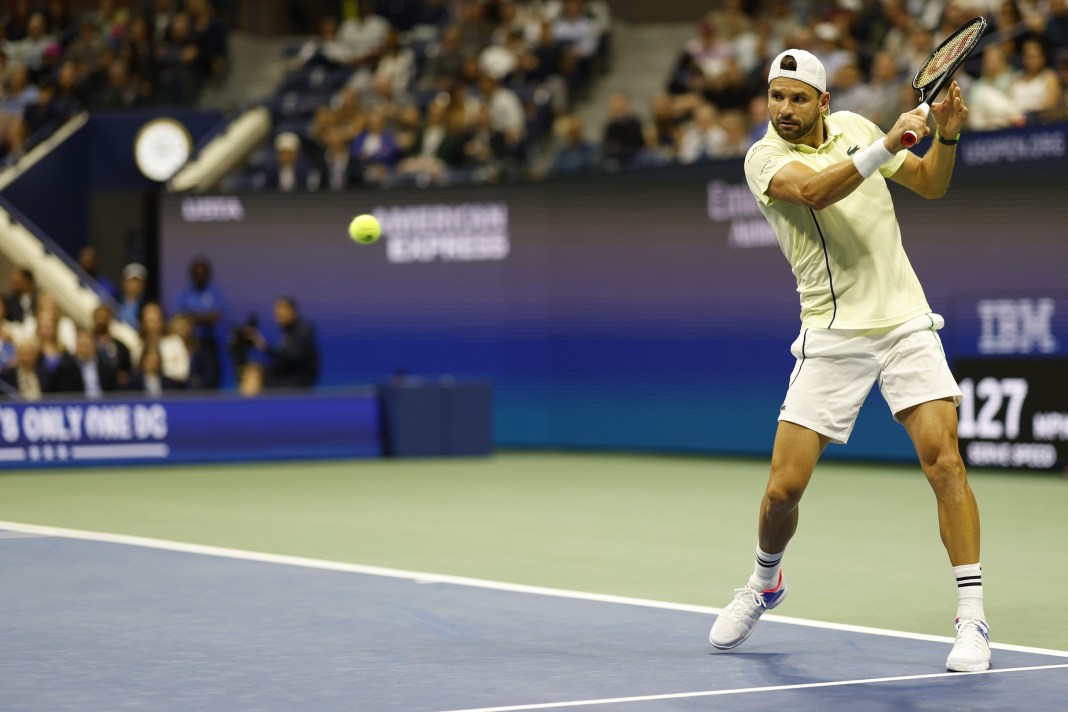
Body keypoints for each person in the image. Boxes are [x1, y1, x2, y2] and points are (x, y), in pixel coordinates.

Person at [708, 50, 989, 674]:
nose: (783, 109)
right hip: (831, 335)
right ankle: (764, 581)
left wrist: (946, 133)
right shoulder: (764, 159)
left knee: (945, 463)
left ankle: (972, 619)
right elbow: (812, 192)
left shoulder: (859, 129)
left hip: (905, 323)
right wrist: (889, 142)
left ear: (823, 102)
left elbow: (932, 183)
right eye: (776, 97)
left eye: (797, 98)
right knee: (783, 489)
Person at [243, 296, 319, 391]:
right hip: (287, 375)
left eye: (282, 309)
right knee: (253, 371)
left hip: (298, 379)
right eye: (277, 309)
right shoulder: (287, 332)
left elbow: (291, 359)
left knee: (256, 376)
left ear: (293, 311)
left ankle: (250, 405)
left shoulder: (303, 331)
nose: (278, 313)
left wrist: (264, 346)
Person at [174, 256, 226, 389]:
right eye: (197, 273)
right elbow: (180, 317)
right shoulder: (185, 294)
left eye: (203, 273)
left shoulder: (214, 292)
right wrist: (203, 317)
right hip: (188, 343)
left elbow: (214, 317)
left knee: (211, 377)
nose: (200, 276)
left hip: (209, 343)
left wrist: (192, 316)